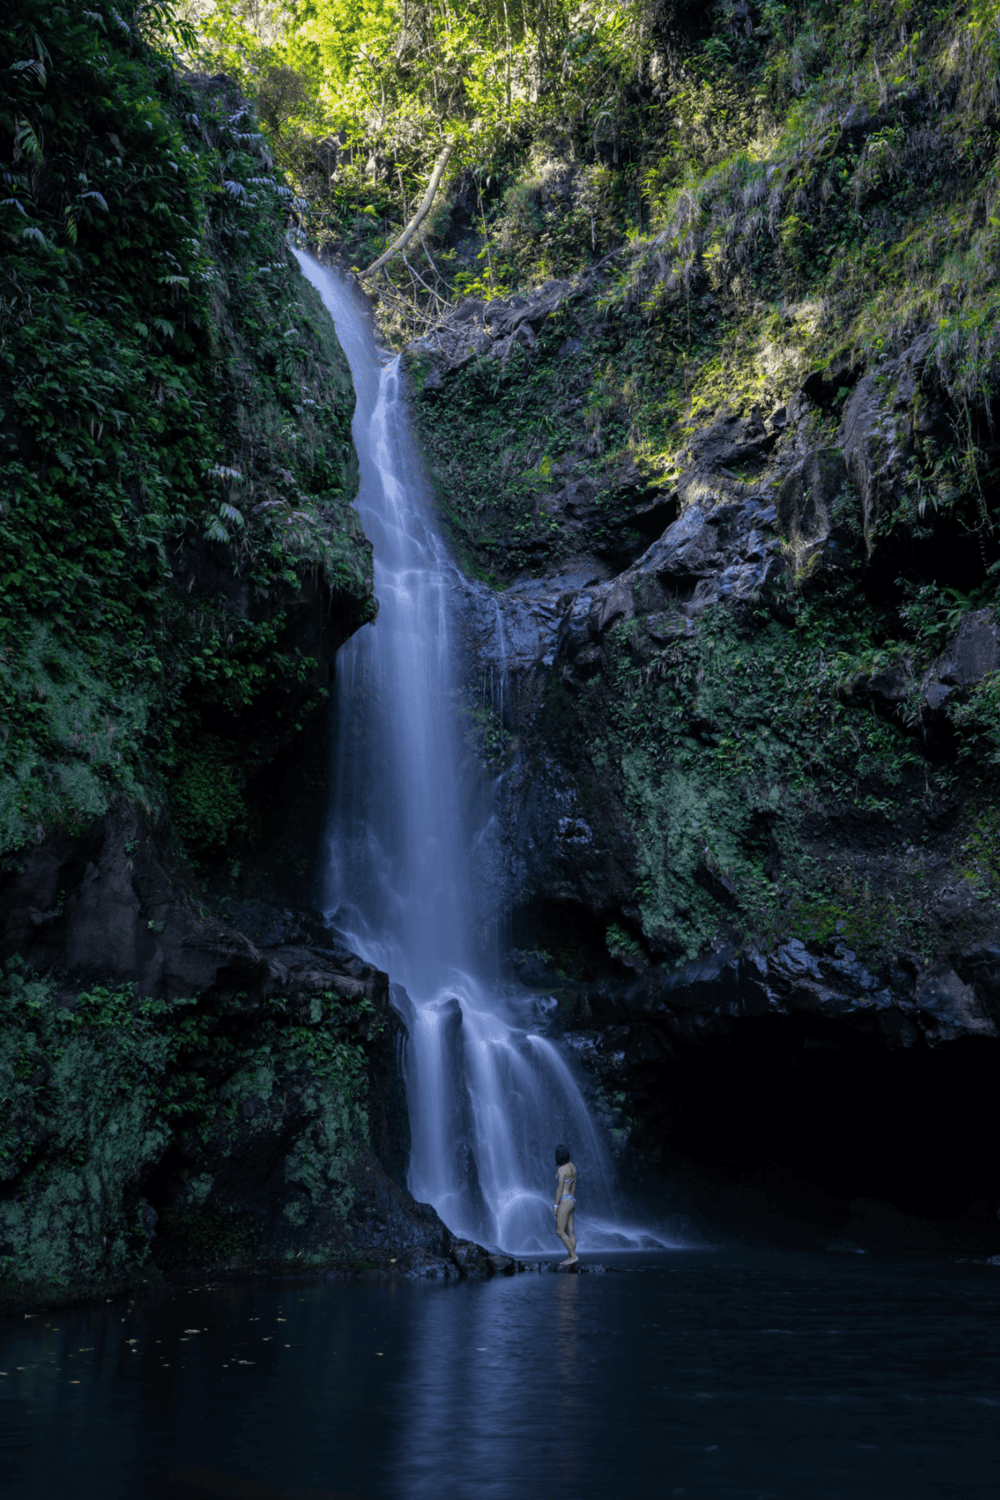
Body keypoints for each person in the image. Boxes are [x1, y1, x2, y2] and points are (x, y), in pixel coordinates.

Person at [553, 1144, 578, 1266]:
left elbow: (559, 1188)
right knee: (571, 1231)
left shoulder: (561, 1169)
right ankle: (570, 1258)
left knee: (559, 1231)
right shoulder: (573, 1167)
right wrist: (571, 1199)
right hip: (572, 1199)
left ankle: (573, 1256)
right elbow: (573, 1186)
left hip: (564, 1200)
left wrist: (556, 1205)